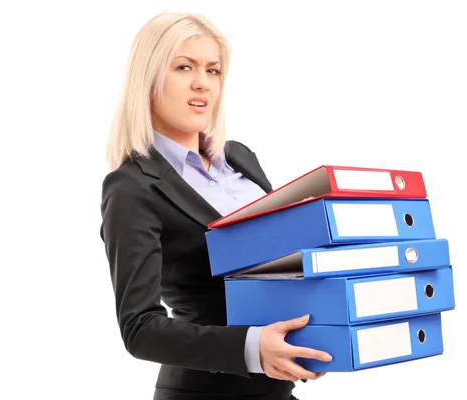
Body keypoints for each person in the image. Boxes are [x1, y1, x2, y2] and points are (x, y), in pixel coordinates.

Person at [99, 11, 332, 400]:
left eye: (213, 70)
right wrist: (251, 349)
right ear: (149, 78)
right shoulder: (131, 186)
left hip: (278, 388)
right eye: (183, 66)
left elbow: (276, 265)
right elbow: (139, 327)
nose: (201, 83)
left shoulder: (240, 159)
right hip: (205, 391)